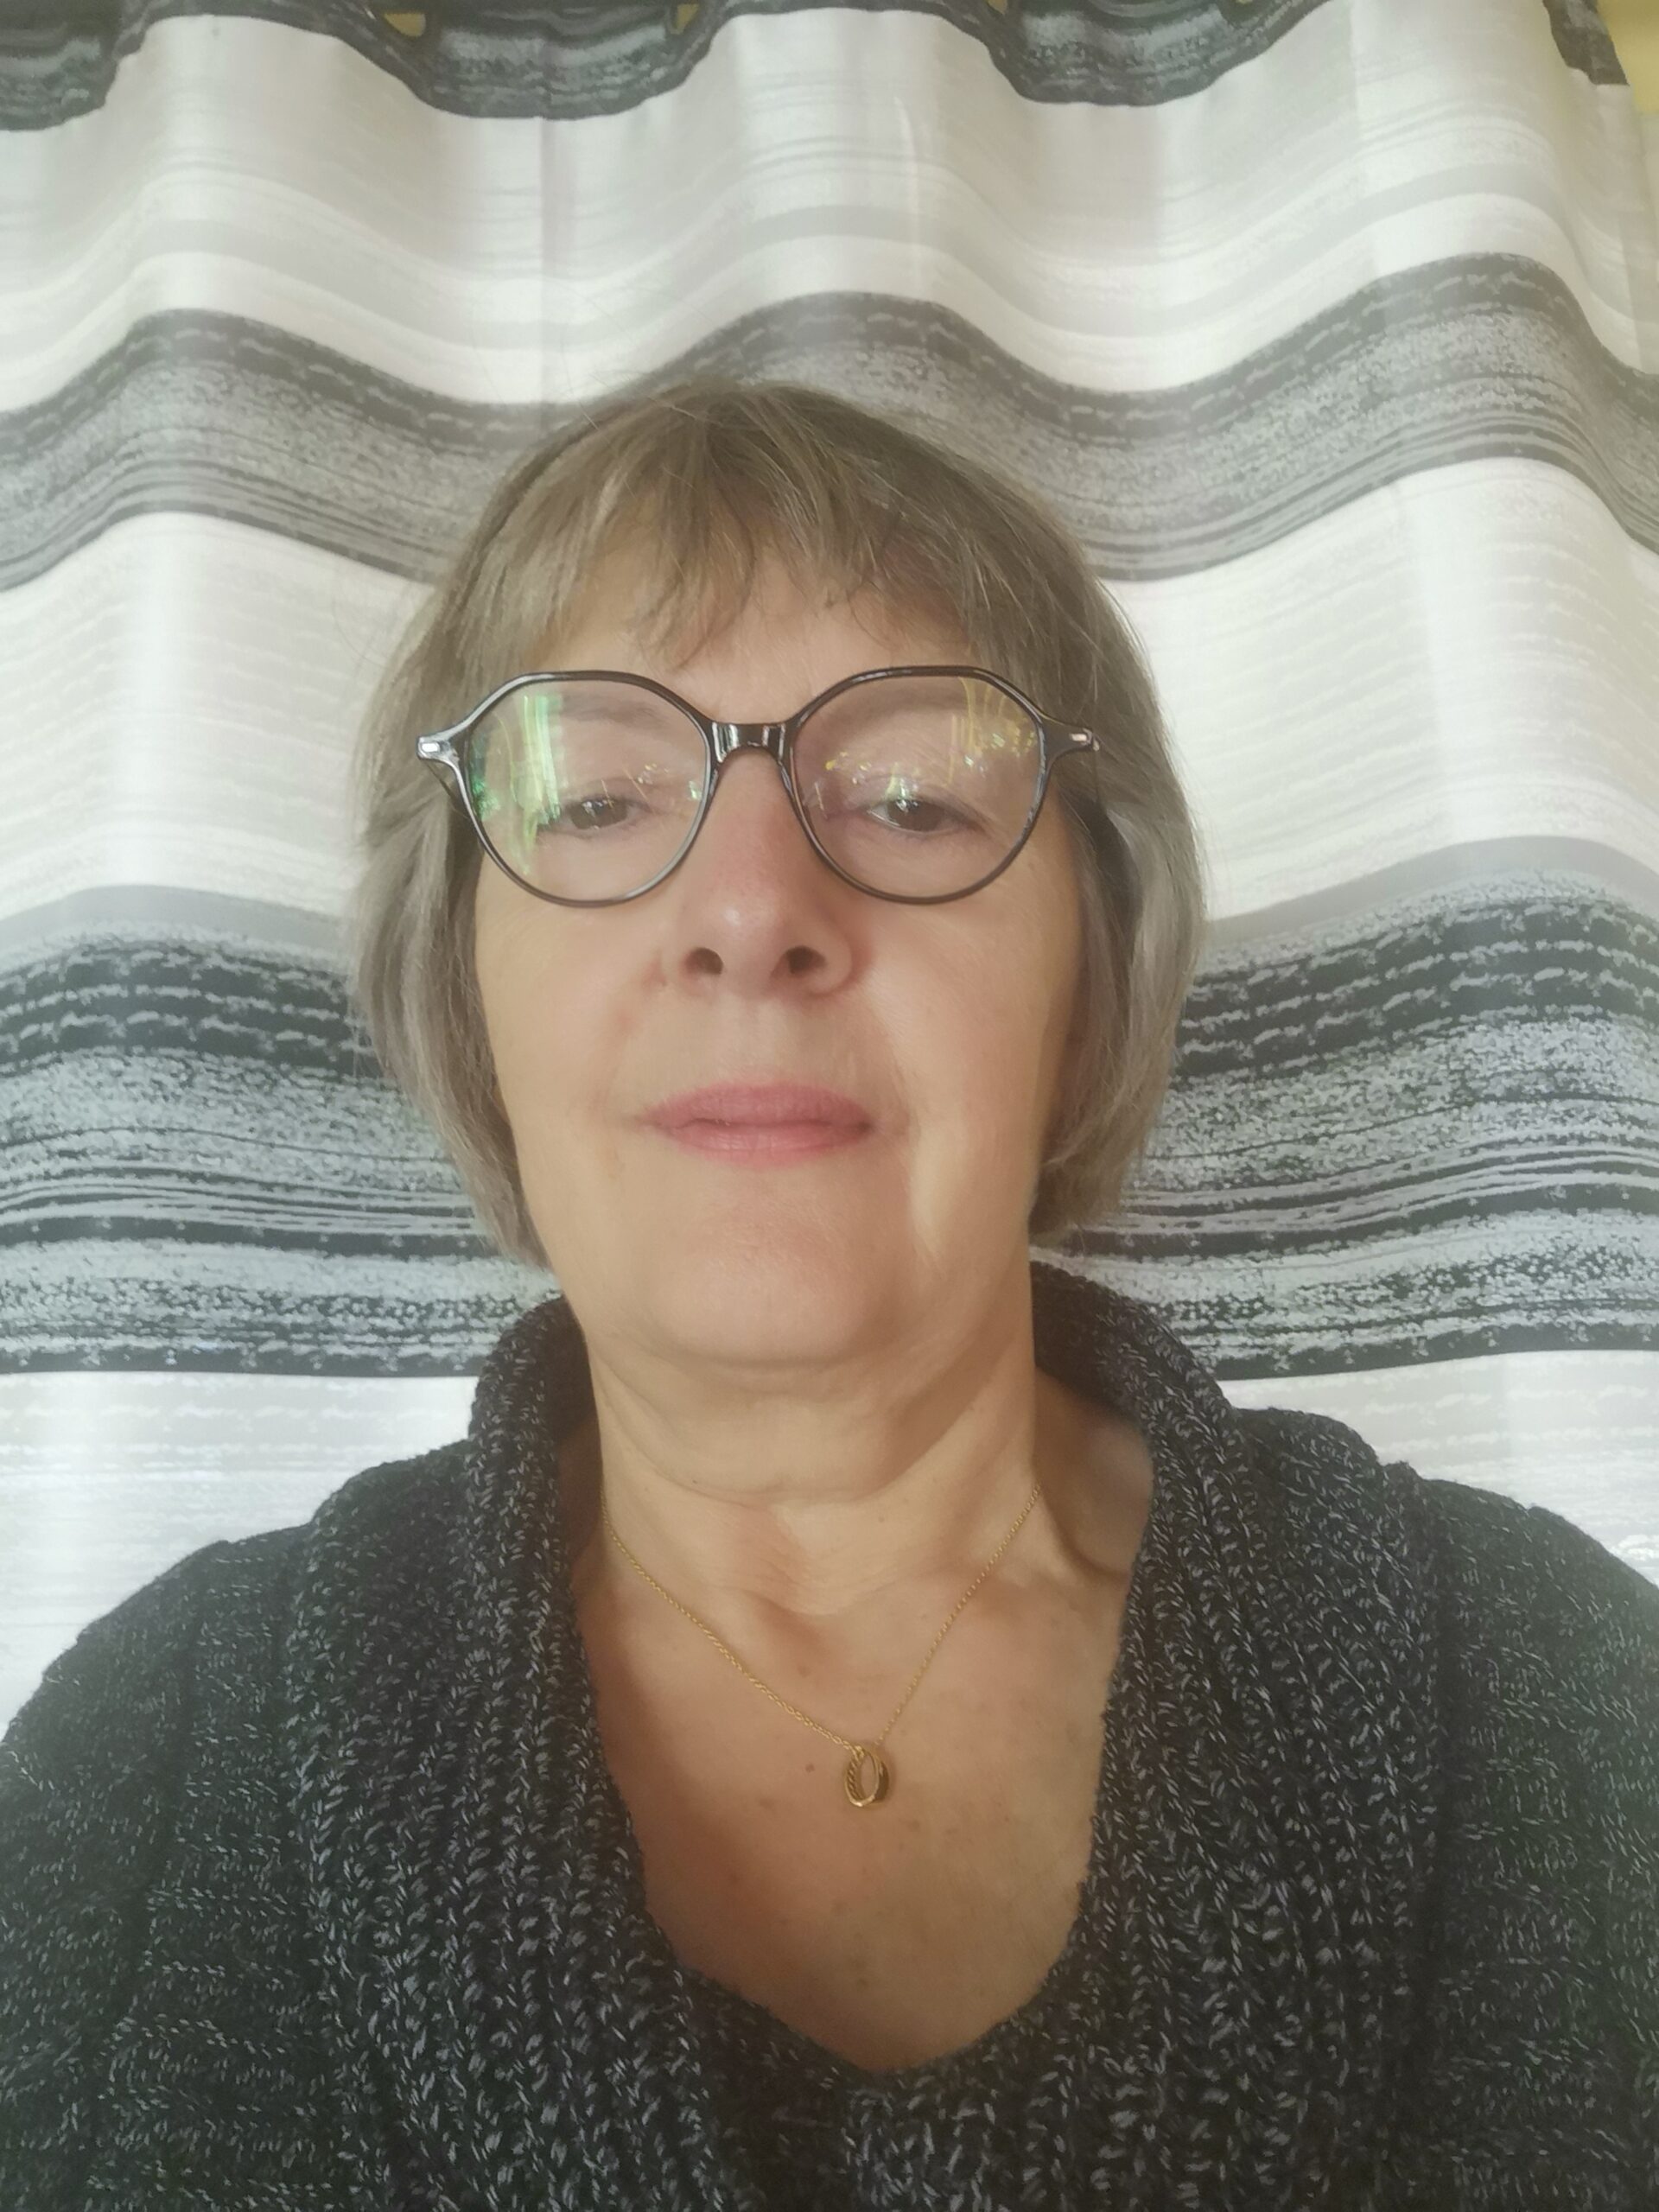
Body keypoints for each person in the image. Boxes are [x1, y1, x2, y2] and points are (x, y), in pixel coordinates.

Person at [2, 377, 1655, 2211]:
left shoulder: (1575, 1698)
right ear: (466, 985)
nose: (748, 907)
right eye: (598, 794)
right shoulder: (138, 1759)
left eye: (915, 798)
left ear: (1092, 973)